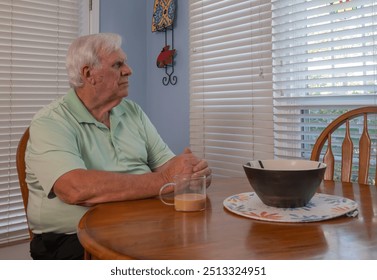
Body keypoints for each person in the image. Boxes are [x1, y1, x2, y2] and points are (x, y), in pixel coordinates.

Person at [25, 33, 212, 260]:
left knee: (202, 249)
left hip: (142, 225)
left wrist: (191, 173)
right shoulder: (50, 121)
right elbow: (75, 189)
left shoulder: (132, 112)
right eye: (118, 64)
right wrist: (166, 180)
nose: (128, 70)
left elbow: (168, 165)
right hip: (73, 237)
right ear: (88, 74)